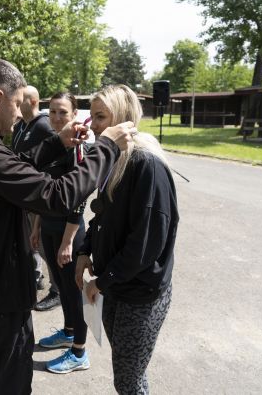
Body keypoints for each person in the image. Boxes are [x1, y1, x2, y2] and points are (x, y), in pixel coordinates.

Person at [0, 59, 135, 395]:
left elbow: (13, 170)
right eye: (17, 103)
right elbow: (57, 196)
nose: (20, 112)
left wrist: (57, 142)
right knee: (10, 384)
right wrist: (107, 147)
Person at [75, 85, 178, 394]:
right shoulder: (115, 158)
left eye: (101, 117)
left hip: (139, 293)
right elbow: (102, 215)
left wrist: (102, 281)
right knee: (129, 371)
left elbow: (146, 243)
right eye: (92, 116)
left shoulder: (146, 164)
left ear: (123, 117)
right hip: (115, 285)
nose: (93, 126)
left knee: (127, 381)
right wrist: (85, 249)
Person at [31, 92, 91, 374]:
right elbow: (44, 191)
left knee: (73, 291)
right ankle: (68, 332)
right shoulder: (52, 144)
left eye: (63, 112)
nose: (56, 117)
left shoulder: (77, 149)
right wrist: (36, 226)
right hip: (49, 227)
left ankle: (79, 352)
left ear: (74, 115)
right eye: (52, 111)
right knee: (62, 288)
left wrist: (67, 242)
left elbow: (79, 198)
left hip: (70, 232)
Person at [11, 85, 61, 312]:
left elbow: (55, 159)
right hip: (23, 195)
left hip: (38, 195)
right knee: (30, 241)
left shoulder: (44, 125)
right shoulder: (21, 125)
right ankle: (36, 274)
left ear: (32, 102)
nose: (15, 102)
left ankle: (57, 291)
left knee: (44, 245)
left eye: (20, 99)